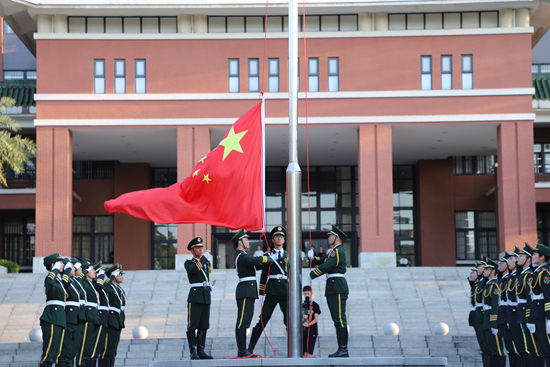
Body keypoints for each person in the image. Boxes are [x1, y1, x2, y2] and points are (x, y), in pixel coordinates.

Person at [308, 225, 349, 358]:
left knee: (339, 318)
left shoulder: (338, 251)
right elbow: (325, 260)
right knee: (336, 318)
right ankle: (342, 349)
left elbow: (327, 265)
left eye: (330, 236)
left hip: (337, 286)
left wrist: (313, 274)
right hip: (333, 286)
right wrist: (313, 258)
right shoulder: (333, 251)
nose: (328, 238)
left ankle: (343, 349)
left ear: (336, 238)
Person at [232, 229, 273, 357]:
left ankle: (243, 350)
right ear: (240, 242)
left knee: (246, 320)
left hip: (248, 290)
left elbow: (257, 265)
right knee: (242, 321)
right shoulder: (242, 256)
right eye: (246, 240)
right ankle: (242, 350)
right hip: (245, 290)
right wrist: (266, 258)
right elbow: (254, 261)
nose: (248, 242)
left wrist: (266, 258)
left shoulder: (244, 256)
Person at [248, 226, 288, 354]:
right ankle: (250, 348)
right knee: (263, 320)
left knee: (290, 320)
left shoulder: (289, 255)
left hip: (285, 292)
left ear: (284, 240)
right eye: (277, 236)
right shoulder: (267, 255)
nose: (279, 238)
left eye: (281, 237)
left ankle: (301, 349)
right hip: (271, 291)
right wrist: (261, 294)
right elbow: (262, 274)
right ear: (272, 239)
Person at [184, 237, 214, 360]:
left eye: (202, 247)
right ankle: (193, 351)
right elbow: (194, 270)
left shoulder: (204, 261)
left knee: (204, 324)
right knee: (192, 325)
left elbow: (209, 270)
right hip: (195, 296)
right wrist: (202, 259)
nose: (201, 249)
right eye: (198, 248)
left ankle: (201, 350)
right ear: (192, 250)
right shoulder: (189, 263)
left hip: (205, 295)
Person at [39, 253, 66, 367]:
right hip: (52, 317)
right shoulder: (50, 278)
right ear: (53, 265)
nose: (62, 265)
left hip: (59, 316)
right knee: (48, 354)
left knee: (55, 353)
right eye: (60, 263)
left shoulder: (58, 280)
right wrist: (55, 270)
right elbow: (50, 283)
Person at [516, 243, 539, 367]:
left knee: (533, 346)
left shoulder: (529, 275)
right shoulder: (523, 275)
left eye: (521, 256)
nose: (518, 258)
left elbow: (530, 298)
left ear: (528, 259)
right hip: (521, 313)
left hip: (527, 312)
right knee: (526, 346)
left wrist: (529, 317)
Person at [75, 260, 101, 367]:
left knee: (89, 347)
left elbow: (101, 287)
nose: (94, 272)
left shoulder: (90, 284)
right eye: (92, 269)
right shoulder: (83, 283)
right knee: (84, 348)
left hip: (94, 317)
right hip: (88, 316)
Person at [99, 263, 126, 367]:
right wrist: (110, 277)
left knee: (113, 349)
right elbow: (104, 286)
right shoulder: (108, 287)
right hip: (111, 320)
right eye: (119, 274)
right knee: (106, 348)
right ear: (113, 276)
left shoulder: (119, 289)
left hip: (118, 321)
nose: (122, 277)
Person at [506, 247, 528, 367]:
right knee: (517, 346)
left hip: (523, 311)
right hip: (513, 311)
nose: (510, 262)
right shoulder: (513, 276)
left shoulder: (525, 275)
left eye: (512, 259)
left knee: (527, 347)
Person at [529, 244, 550, 366]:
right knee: (542, 347)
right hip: (537, 312)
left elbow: (548, 296)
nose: (532, 257)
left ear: (542, 257)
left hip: (543, 313)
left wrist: (549, 318)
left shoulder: (545, 273)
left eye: (535, 255)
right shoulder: (537, 272)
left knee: (547, 347)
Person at [481, 257, 505, 367]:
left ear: (493, 271)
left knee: (497, 349)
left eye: (487, 269)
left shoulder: (494, 285)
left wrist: (494, 323)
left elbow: (495, 305)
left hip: (492, 319)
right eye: (484, 269)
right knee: (489, 348)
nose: (484, 271)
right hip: (486, 319)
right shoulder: (487, 284)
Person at [57, 258, 81, 367]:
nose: (73, 268)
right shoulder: (64, 281)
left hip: (74, 316)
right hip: (68, 316)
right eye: (71, 267)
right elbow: (64, 283)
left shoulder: (72, 281)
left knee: (71, 348)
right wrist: (66, 271)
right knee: (65, 348)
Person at [302, 285, 321, 357]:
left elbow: (316, 319)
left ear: (311, 293)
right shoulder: (302, 305)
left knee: (308, 351)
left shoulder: (315, 305)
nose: (306, 295)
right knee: (303, 351)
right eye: (305, 294)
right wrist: (303, 318)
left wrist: (309, 324)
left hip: (312, 330)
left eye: (308, 293)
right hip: (303, 331)